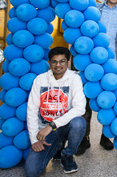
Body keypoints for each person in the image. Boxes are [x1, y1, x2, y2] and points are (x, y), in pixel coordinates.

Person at [78, 0, 117, 155]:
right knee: (86, 102)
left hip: (113, 62)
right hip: (92, 61)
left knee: (109, 101)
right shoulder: (95, 10)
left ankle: (106, 137)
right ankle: (84, 139)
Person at [25, 47, 86, 176]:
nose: (58, 65)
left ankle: (67, 154)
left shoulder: (75, 79)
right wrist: (34, 139)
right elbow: (32, 110)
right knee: (32, 171)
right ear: (49, 63)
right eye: (54, 62)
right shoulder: (40, 80)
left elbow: (80, 108)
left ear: (68, 62)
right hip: (45, 131)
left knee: (79, 122)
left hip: (64, 126)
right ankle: (57, 147)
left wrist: (52, 125)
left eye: (62, 61)